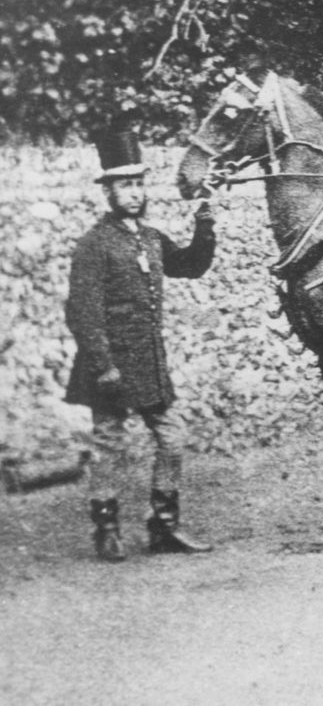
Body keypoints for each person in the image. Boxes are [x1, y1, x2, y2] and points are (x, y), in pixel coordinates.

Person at [65, 131, 217, 561]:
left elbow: (190, 265)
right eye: (124, 186)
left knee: (173, 437)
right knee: (109, 443)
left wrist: (205, 219)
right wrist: (103, 366)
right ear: (109, 192)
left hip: (149, 364)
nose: (134, 194)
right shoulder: (94, 245)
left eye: (138, 185)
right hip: (110, 364)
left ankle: (164, 525)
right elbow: (82, 312)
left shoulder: (150, 237)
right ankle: (107, 529)